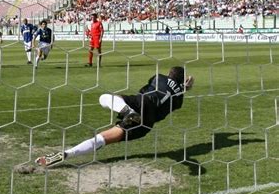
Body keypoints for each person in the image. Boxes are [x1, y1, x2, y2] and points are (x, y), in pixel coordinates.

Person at [35, 66, 194, 166]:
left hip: (141, 102)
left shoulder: (159, 77)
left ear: (169, 74)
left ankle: (127, 111)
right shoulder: (179, 99)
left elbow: (157, 86)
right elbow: (173, 94)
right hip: (147, 123)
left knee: (104, 98)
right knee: (104, 139)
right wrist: (184, 88)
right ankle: (68, 154)